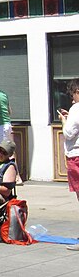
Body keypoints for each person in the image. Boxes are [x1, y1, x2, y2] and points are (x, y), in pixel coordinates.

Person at [58, 79, 79, 251]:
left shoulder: (76, 108)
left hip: (76, 156)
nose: (72, 99)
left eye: (73, 94)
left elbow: (69, 133)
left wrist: (64, 120)